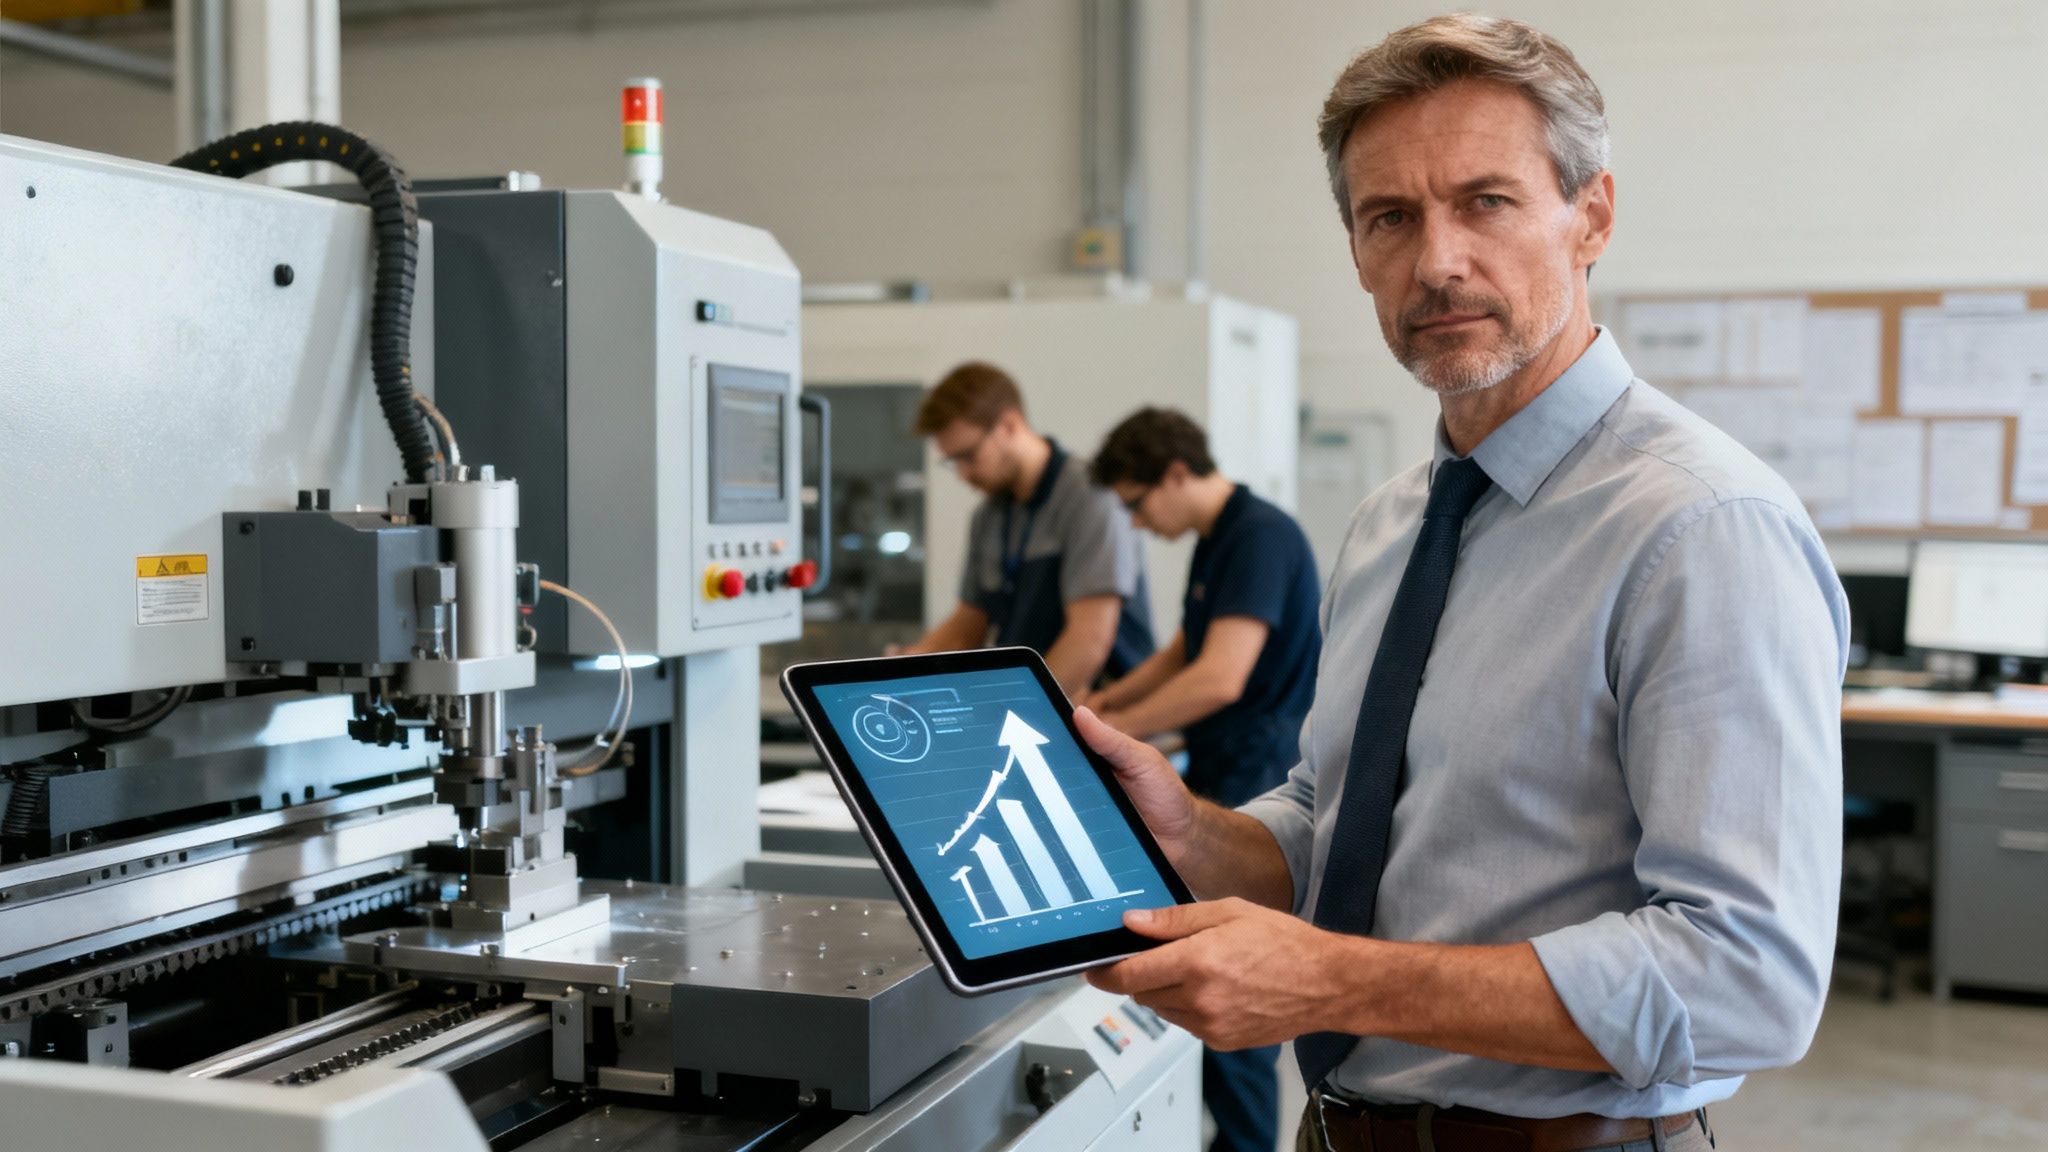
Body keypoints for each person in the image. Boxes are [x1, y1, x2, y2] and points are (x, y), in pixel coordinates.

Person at [1071, 15, 1848, 1152]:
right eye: (1389, 217)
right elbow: (1336, 822)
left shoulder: (1698, 529)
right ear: (1354, 251)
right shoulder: (1391, 522)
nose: (1435, 262)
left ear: (1591, 216)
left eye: (1484, 201)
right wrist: (1193, 832)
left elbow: (1746, 980)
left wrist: (1339, 984)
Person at [1085, 405, 1322, 1152]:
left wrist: (1118, 733)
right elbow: (1185, 646)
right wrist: (1100, 705)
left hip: (1257, 775)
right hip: (1223, 768)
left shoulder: (1259, 535)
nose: (1135, 522)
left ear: (1177, 474)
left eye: (1136, 502)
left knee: (1230, 983)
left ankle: (1247, 1145)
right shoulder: (1219, 539)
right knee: (1201, 985)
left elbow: (1219, 678)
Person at [894, 361, 1153, 693]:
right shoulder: (988, 516)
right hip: (1031, 707)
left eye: (969, 456)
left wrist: (1023, 706)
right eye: (952, 462)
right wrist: (905, 668)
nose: (963, 474)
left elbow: (1089, 641)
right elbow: (969, 623)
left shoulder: (1090, 497)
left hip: (1100, 714)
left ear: (1009, 425)